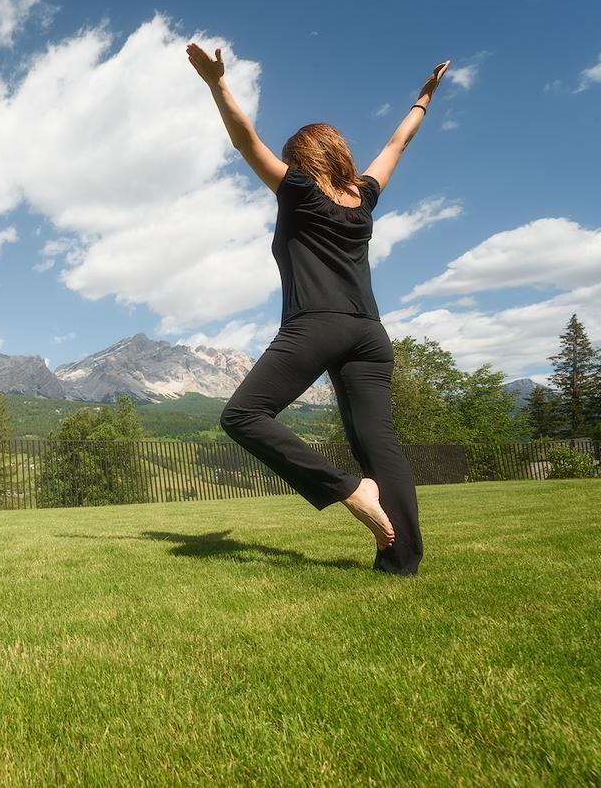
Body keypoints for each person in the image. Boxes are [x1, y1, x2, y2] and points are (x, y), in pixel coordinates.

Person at [187, 41, 449, 575]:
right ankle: (400, 563)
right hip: (371, 333)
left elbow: (245, 142)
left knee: (242, 415)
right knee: (381, 445)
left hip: (318, 323)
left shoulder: (301, 190)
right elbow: (397, 145)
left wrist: (217, 85)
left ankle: (350, 491)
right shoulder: (363, 197)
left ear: (303, 158)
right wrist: (423, 99)